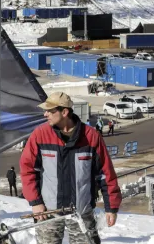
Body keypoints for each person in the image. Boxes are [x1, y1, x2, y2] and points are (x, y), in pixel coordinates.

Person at [20, 92, 121, 244]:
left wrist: (111, 207)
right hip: (48, 212)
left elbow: (105, 174)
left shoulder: (91, 137)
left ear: (64, 112)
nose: (45, 114)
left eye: (50, 110)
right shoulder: (40, 135)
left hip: (81, 212)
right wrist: (35, 202)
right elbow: (28, 170)